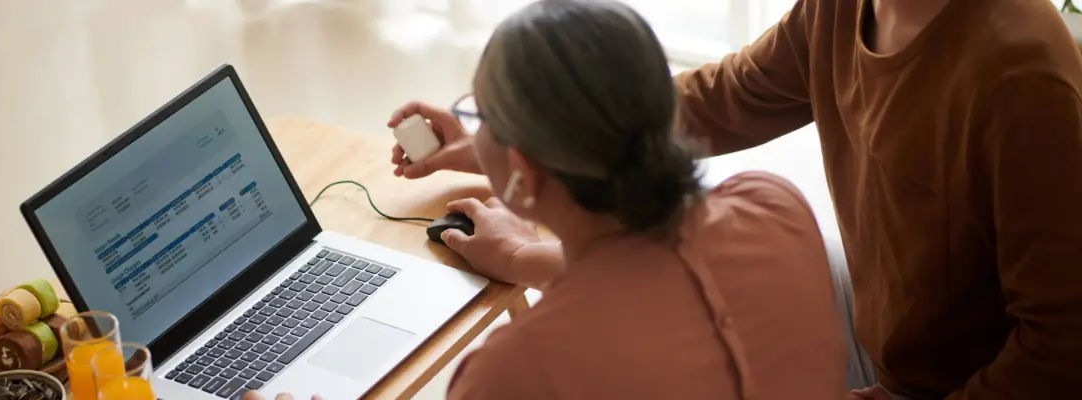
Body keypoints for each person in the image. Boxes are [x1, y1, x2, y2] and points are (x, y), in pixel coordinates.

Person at [395, 0, 1082, 398]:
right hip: (885, 341)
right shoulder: (774, 201)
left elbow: (1064, 349)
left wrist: (523, 157)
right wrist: (517, 147)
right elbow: (721, 100)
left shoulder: (1022, 76)